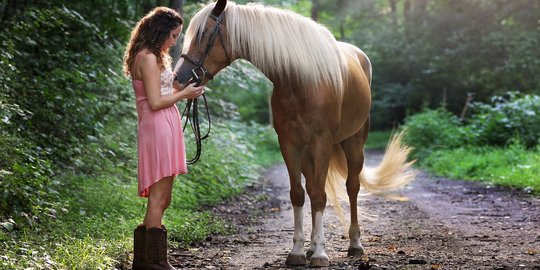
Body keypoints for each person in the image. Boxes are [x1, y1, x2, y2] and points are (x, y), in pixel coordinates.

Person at [122, 6, 204, 270]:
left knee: (164, 197)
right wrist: (184, 96)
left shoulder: (158, 57)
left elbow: (165, 88)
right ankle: (155, 261)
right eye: (172, 35)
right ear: (159, 33)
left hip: (166, 124)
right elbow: (155, 101)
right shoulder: (145, 57)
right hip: (156, 124)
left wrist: (183, 87)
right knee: (158, 197)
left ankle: (146, 260)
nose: (174, 41)